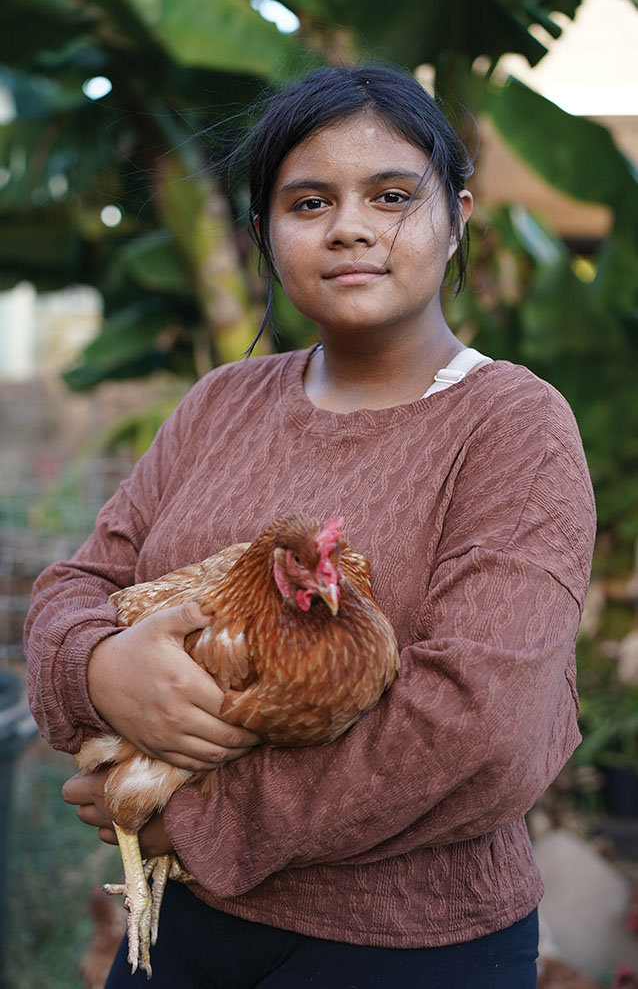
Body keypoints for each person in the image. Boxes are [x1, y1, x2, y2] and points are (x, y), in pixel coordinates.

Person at [25, 64, 596, 988]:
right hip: (180, 927)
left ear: (457, 217)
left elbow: (483, 727)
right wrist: (101, 667)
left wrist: (202, 819)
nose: (351, 227)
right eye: (308, 202)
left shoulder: (513, 426)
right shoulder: (223, 402)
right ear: (264, 234)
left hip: (407, 946)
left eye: (393, 196)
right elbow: (77, 586)